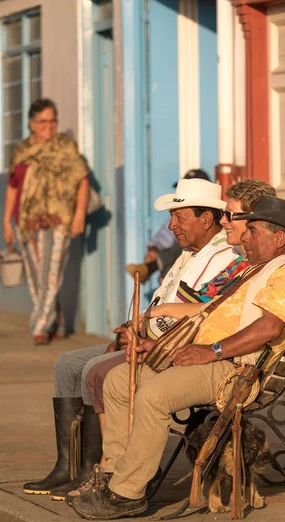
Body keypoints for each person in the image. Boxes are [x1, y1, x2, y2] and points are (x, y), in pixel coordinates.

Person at [71, 193, 285, 520]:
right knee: (118, 381)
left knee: (154, 396)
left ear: (280, 238)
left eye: (253, 230)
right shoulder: (260, 269)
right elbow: (211, 313)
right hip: (209, 358)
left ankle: (127, 493)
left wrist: (210, 351)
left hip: (234, 370)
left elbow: (268, 328)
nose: (244, 236)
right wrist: (165, 345)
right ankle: (117, 474)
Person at [22, 177, 236, 499]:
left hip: (171, 350)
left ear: (205, 219)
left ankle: (101, 468)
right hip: (147, 339)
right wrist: (129, 329)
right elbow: (159, 304)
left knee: (95, 370)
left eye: (179, 217)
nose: (171, 225)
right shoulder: (188, 254)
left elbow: (199, 314)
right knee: (67, 364)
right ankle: (70, 465)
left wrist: (140, 331)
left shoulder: (222, 257)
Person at [2, 98, 89, 344]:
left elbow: (82, 179)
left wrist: (79, 214)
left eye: (52, 120)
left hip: (58, 219)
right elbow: (12, 187)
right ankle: (58, 322)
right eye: (42, 121)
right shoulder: (21, 150)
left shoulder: (65, 147)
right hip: (26, 222)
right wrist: (6, 222)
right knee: (35, 277)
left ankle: (39, 324)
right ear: (31, 123)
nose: (48, 126)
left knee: (51, 275)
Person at [125, 169, 211, 283]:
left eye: (186, 190)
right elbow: (164, 235)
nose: (172, 225)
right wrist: (154, 250)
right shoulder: (178, 215)